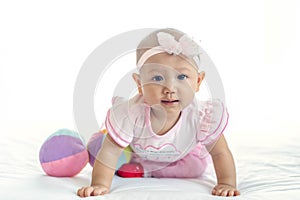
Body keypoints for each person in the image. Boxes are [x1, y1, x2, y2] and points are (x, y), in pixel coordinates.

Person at [77, 28, 240, 197]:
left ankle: (144, 172)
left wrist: (226, 183)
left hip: (183, 157)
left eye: (182, 77)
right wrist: (100, 184)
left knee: (195, 167)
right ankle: (139, 165)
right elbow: (110, 151)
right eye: (157, 78)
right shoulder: (131, 114)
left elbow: (220, 152)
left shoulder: (201, 117)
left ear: (198, 81)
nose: (170, 88)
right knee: (109, 150)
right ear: (140, 84)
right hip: (140, 154)